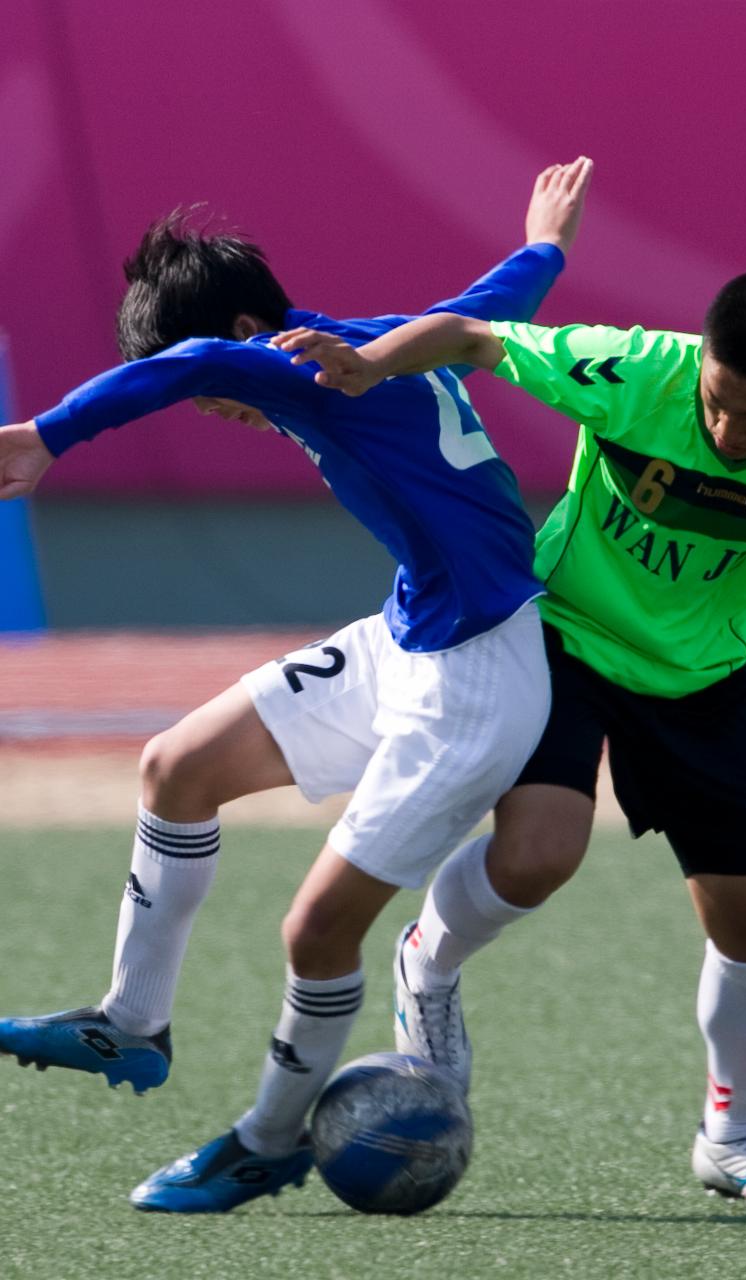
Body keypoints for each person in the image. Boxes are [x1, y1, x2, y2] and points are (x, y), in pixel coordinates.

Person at [0, 160, 594, 1212]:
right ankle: (130, 1023)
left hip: (474, 681)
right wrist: (545, 240)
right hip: (406, 634)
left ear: (245, 330)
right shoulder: (383, 333)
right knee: (175, 767)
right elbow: (501, 298)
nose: (221, 405)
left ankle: (268, 1139)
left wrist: (47, 436)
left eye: (220, 377)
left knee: (315, 930)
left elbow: (181, 366)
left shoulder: (291, 363)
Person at [276, 260, 746, 1213]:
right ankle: (429, 961)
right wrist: (368, 363)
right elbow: (469, 336)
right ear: (699, 363)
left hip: (699, 681)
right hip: (562, 644)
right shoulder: (630, 370)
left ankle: (733, 1137)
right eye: (715, 403)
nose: (724, 432)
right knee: (540, 855)